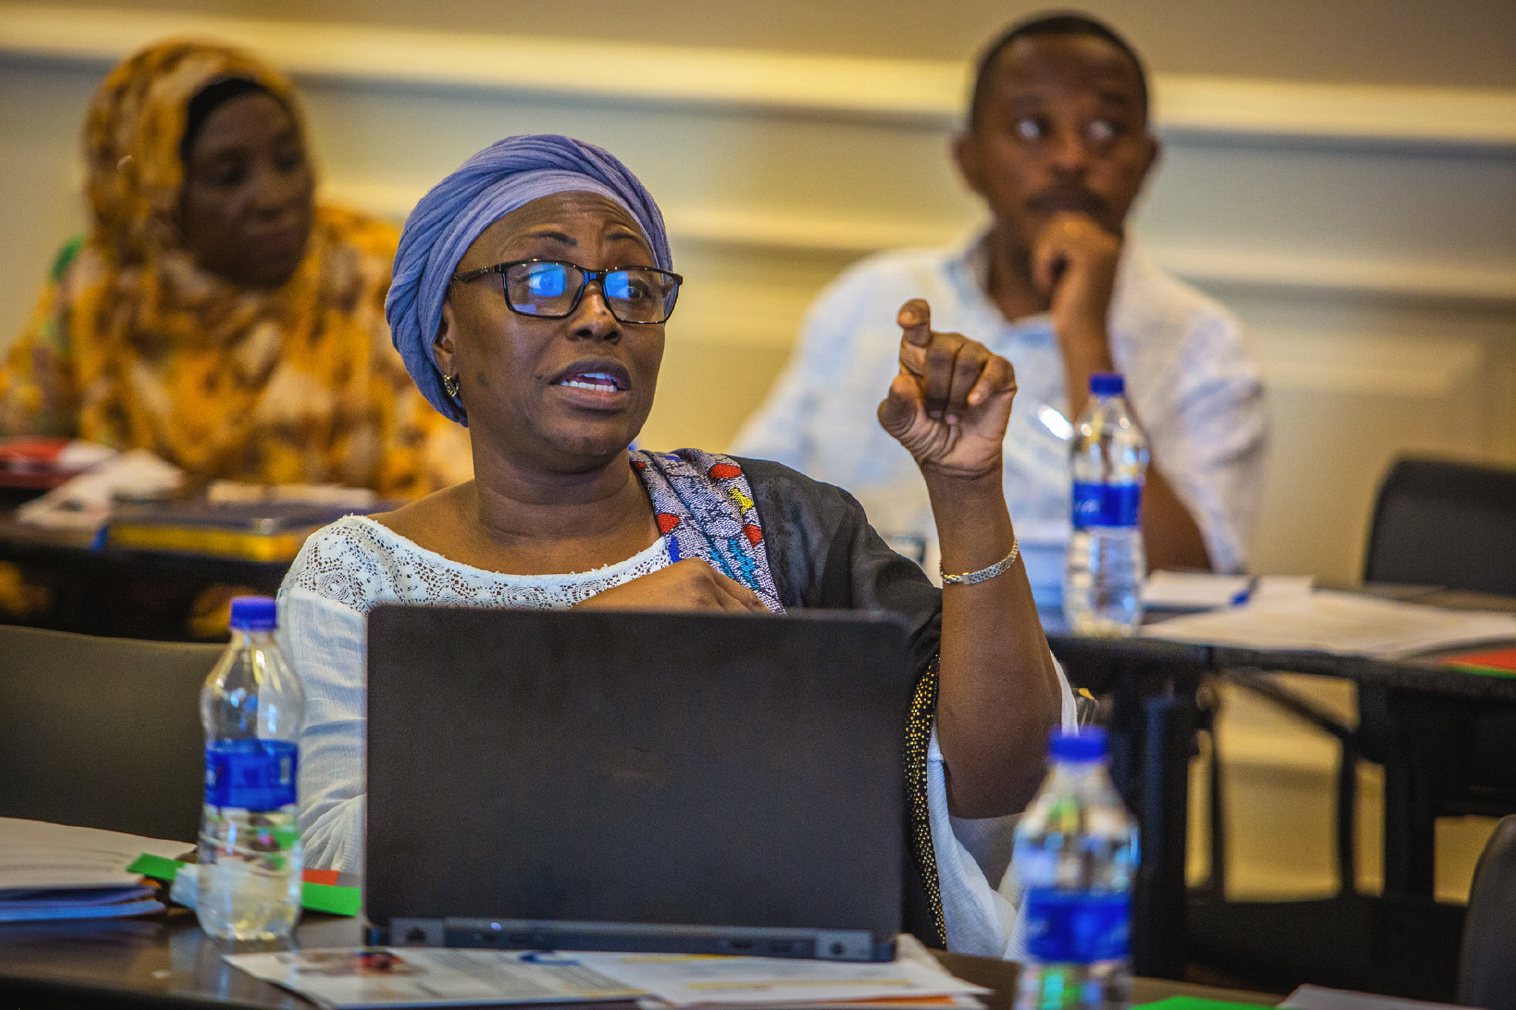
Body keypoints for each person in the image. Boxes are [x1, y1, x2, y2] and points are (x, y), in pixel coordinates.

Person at [278, 134, 1076, 958]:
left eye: (633, 286)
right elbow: (325, 869)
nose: (600, 317)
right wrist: (591, 652)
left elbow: (1000, 784)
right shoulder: (355, 575)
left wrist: (969, 489)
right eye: (542, 281)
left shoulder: (776, 524)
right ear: (446, 333)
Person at [732, 12, 1268, 598]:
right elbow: (747, 512)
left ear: (1147, 162)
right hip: (861, 666)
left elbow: (1192, 587)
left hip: (1084, 677)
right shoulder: (868, 299)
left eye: (1105, 130)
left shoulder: (1206, 346)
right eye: (1034, 128)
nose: (1070, 158)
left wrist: (1085, 335)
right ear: (968, 160)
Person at [0, 40, 468, 495]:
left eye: (288, 161)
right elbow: (19, 445)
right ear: (158, 197)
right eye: (228, 176)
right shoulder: (103, 282)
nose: (273, 197)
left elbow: (451, 488)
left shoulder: (376, 276)